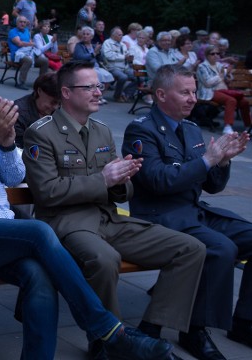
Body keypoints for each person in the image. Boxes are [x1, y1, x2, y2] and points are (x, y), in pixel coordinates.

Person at [0, 54, 177, 360]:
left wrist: (8, 144)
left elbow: (14, 176)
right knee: (39, 231)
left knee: (39, 275)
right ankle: (109, 331)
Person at [23, 60, 206, 359]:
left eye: (99, 86)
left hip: (108, 219)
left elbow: (121, 191)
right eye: (90, 87)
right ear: (67, 93)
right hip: (67, 223)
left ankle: (148, 334)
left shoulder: (102, 131)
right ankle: (105, 339)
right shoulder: (41, 133)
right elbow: (47, 193)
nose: (98, 92)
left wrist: (122, 179)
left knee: (191, 249)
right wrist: (103, 179)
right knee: (104, 259)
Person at [123, 65, 252, 360]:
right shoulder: (142, 130)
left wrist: (222, 161)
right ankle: (195, 331)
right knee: (221, 248)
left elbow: (212, 186)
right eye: (184, 92)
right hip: (160, 216)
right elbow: (158, 181)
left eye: (194, 91)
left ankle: (244, 322)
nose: (193, 98)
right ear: (161, 95)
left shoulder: (191, 128)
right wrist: (208, 160)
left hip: (193, 211)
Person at [197, 46, 252, 135]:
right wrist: (220, 75)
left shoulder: (220, 66)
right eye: (213, 54)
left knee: (244, 102)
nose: (216, 55)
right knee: (231, 100)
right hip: (209, 91)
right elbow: (207, 83)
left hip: (224, 90)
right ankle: (227, 126)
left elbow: (228, 80)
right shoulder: (202, 66)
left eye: (217, 53)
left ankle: (248, 126)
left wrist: (228, 75)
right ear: (207, 55)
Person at [13, 71, 59, 148]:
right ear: (39, 91)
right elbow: (19, 147)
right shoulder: (18, 113)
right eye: (53, 102)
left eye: (59, 103)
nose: (56, 107)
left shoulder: (60, 110)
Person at [72, 26, 114, 104]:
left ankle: (100, 96)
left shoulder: (94, 45)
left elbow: (100, 58)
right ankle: (94, 97)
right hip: (84, 67)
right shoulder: (79, 45)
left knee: (109, 76)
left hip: (95, 66)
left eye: (87, 34)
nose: (85, 36)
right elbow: (80, 57)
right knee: (98, 76)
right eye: (84, 34)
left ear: (91, 36)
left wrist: (99, 51)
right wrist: (93, 53)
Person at [9, 16, 50, 91]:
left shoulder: (26, 31)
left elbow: (30, 41)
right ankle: (21, 82)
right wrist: (30, 44)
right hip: (17, 55)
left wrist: (30, 44)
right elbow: (19, 43)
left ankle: (41, 83)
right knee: (28, 60)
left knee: (45, 61)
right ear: (17, 23)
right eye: (20, 22)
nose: (22, 24)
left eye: (24, 22)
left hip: (29, 53)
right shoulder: (13, 32)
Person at [101, 26, 135, 102]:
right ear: (113, 35)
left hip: (125, 67)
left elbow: (126, 54)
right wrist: (124, 57)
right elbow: (108, 56)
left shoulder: (123, 45)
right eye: (120, 35)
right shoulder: (107, 43)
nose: (122, 36)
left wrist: (130, 58)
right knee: (123, 77)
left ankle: (126, 94)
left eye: (122, 34)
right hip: (112, 67)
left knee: (140, 76)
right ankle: (117, 96)